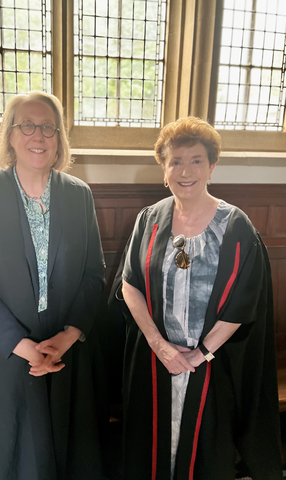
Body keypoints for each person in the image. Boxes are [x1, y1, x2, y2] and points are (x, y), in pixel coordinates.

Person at [0, 91, 107, 480]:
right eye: (27, 125)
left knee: (63, 447)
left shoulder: (79, 195)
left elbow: (93, 273)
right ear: (11, 137)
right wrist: (20, 345)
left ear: (59, 139)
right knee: (6, 450)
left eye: (49, 127)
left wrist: (70, 334)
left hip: (60, 343)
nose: (39, 135)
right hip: (0, 345)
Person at [118, 117, 282, 480]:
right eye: (175, 161)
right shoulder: (150, 219)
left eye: (196, 160)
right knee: (149, 454)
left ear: (211, 167)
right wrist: (159, 345)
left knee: (205, 456)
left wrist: (200, 353)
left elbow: (243, 301)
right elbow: (129, 285)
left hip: (212, 366)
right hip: (156, 363)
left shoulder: (235, 226)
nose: (185, 170)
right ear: (164, 170)